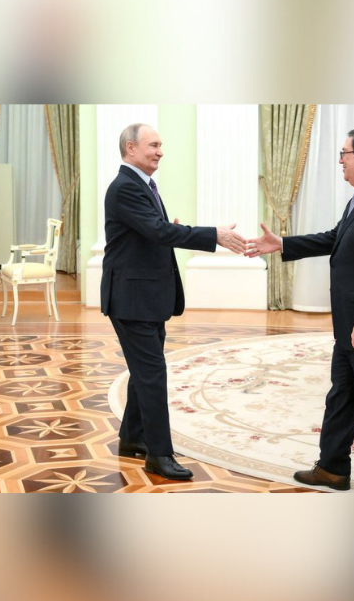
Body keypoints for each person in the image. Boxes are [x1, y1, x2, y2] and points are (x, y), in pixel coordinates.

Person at [247, 127, 354, 493]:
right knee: (343, 395)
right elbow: (336, 238)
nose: (340, 160)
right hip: (353, 322)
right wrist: (283, 244)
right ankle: (332, 467)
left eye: (344, 153)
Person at [101, 123, 246, 481]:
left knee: (145, 372)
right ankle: (159, 455)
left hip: (145, 297)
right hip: (132, 300)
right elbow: (158, 230)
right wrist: (214, 235)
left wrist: (168, 231)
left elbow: (151, 232)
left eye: (161, 145)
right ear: (131, 148)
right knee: (152, 375)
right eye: (153, 145)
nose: (160, 151)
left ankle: (133, 437)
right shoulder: (125, 187)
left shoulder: (142, 185)